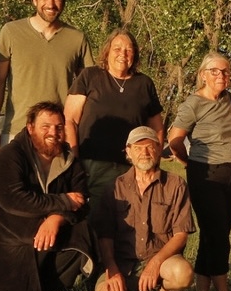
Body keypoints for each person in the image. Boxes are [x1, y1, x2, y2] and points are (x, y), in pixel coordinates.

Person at [0, 101, 95, 291]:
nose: (54, 132)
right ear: (30, 128)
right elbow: (14, 200)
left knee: (84, 229)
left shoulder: (70, 161)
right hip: (4, 241)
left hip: (44, 239)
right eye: (46, 126)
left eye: (59, 127)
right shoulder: (9, 156)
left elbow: (82, 201)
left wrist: (56, 218)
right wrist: (63, 202)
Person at [168, 52, 231, 291]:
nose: (221, 76)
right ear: (203, 74)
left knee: (215, 236)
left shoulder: (229, 100)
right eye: (215, 71)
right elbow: (174, 139)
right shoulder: (193, 104)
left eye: (226, 72)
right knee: (218, 237)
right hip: (206, 174)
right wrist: (188, 161)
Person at [91, 127, 195, 291]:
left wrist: (155, 263)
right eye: (138, 148)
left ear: (158, 149)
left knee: (183, 274)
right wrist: (112, 269)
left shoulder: (175, 184)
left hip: (161, 262)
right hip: (122, 265)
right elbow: (105, 236)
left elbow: (181, 234)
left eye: (150, 147)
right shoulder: (114, 188)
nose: (145, 153)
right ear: (128, 152)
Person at [0, 0, 93, 153]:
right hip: (16, 130)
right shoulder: (11, 32)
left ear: (64, 1)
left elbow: (88, 89)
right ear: (34, 0)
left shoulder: (77, 39)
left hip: (58, 133)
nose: (50, 5)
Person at [62, 29, 164, 207]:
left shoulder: (144, 84)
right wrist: (74, 161)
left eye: (129, 50)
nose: (123, 54)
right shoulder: (90, 76)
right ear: (107, 51)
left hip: (133, 166)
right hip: (92, 164)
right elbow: (69, 120)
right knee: (95, 219)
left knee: (130, 219)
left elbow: (157, 129)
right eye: (117, 49)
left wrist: (154, 163)